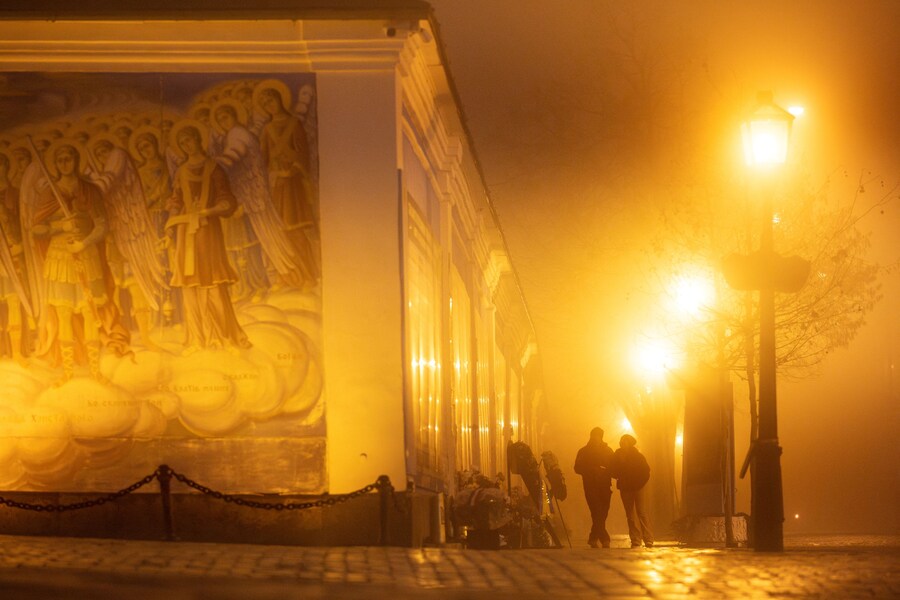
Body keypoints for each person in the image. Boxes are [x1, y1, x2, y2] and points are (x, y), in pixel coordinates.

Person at [165, 120, 250, 353]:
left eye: (189, 140)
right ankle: (196, 338)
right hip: (185, 232)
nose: (186, 145)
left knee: (211, 281)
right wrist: (171, 220)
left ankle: (222, 336)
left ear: (198, 140)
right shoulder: (181, 171)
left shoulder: (214, 168)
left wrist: (209, 211)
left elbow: (227, 200)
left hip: (207, 231)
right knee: (190, 284)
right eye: (182, 143)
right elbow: (176, 200)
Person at [574, 427, 615, 548]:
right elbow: (577, 468)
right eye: (594, 436)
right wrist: (590, 470)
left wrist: (605, 470)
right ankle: (605, 538)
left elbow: (613, 466)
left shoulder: (608, 451)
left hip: (604, 485)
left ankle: (593, 537)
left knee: (603, 512)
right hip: (590, 485)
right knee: (596, 511)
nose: (596, 438)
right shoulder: (583, 451)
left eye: (598, 436)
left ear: (601, 437)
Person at [612, 434, 654, 548]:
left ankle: (648, 538)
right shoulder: (617, 455)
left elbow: (646, 471)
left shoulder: (638, 456)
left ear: (629, 443)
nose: (621, 443)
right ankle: (635, 539)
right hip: (626, 488)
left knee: (641, 512)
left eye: (624, 441)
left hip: (638, 487)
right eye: (621, 440)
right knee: (630, 514)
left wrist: (640, 483)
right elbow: (613, 470)